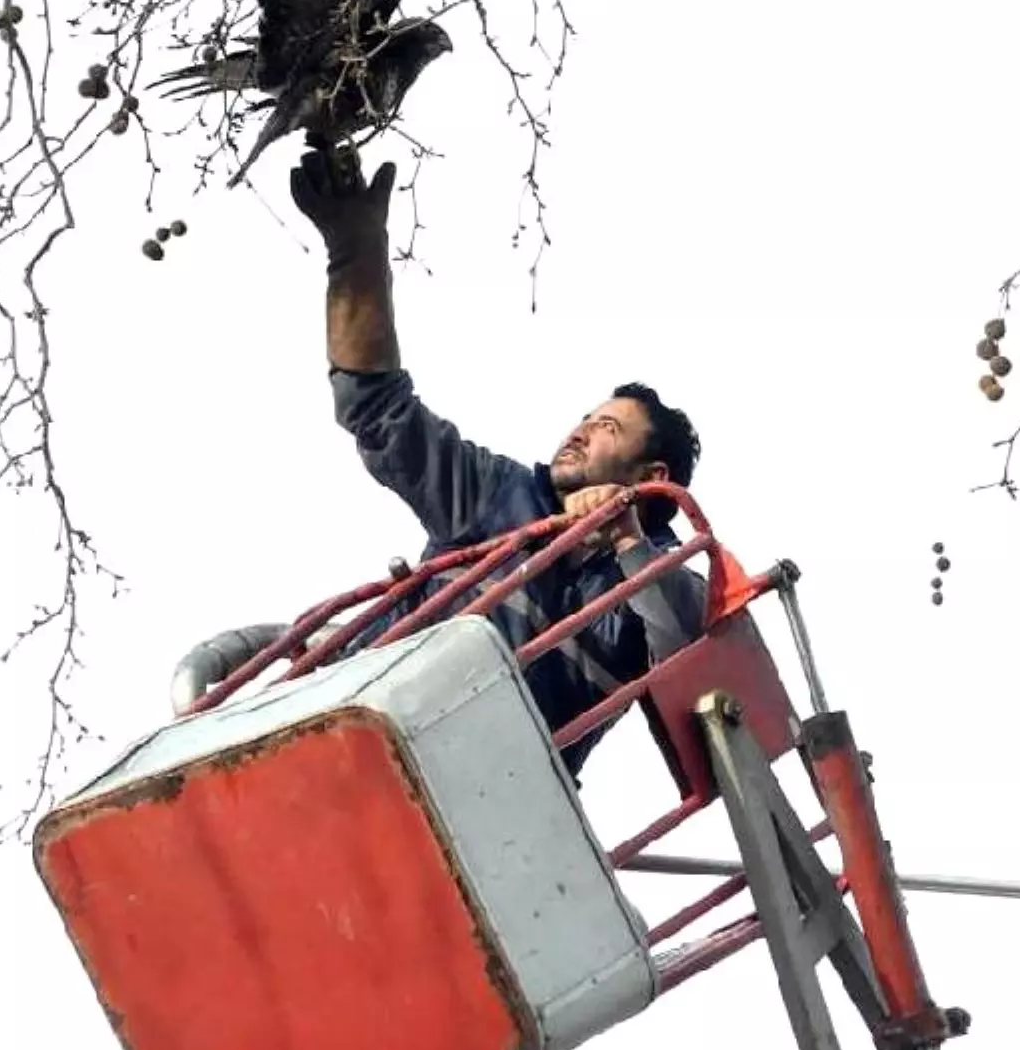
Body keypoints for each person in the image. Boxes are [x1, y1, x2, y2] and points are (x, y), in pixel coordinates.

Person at [282, 146, 708, 781]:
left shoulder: (668, 578)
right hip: (372, 721)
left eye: (609, 428)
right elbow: (377, 410)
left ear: (652, 479)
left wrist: (626, 540)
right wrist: (356, 253)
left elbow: (684, 652)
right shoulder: (496, 495)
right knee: (224, 676)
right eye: (586, 417)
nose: (582, 430)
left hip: (497, 799)